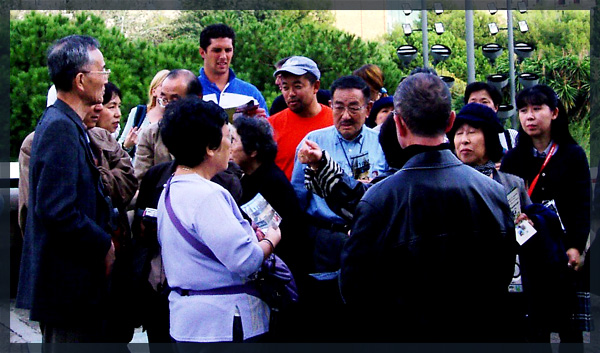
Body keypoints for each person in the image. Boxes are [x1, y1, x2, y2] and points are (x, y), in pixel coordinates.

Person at [339, 73, 515, 342]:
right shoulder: (493, 192)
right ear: (451, 121)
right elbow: (502, 275)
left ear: (398, 123)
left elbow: (355, 292)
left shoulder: (378, 200)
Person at [16, 35, 116, 345]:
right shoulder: (60, 126)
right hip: (68, 290)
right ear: (81, 80)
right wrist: (103, 244)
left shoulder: (67, 122)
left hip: (73, 291)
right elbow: (56, 209)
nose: (107, 78)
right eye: (102, 70)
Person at [157, 97, 280, 345]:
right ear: (210, 147)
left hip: (188, 322)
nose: (231, 146)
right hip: (223, 323)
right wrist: (270, 240)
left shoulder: (171, 188)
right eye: (228, 137)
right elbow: (246, 261)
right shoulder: (209, 194)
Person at [501, 84, 591, 349]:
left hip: (563, 249)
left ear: (553, 113)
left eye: (537, 109)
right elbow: (511, 200)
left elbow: (581, 204)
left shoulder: (573, 155)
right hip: (529, 250)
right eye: (523, 110)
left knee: (569, 326)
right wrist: (517, 218)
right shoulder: (513, 159)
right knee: (533, 326)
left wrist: (576, 246)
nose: (529, 116)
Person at [267, 56, 333, 180]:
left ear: (316, 86)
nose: (291, 94)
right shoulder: (270, 126)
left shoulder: (335, 123)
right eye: (285, 88)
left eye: (297, 86)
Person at [134, 69, 203, 181]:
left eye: (174, 101)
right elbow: (141, 181)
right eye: (164, 100)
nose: (167, 107)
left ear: (197, 98)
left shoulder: (214, 132)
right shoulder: (150, 135)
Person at [197, 23, 268, 117]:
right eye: (217, 50)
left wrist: (262, 123)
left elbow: (268, 130)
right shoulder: (189, 91)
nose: (223, 56)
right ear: (202, 52)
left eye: (228, 50)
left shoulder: (251, 93)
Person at [119, 69, 169, 157]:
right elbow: (117, 150)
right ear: (153, 91)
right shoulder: (138, 114)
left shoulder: (176, 118)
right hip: (137, 169)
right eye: (162, 85)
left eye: (169, 87)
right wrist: (127, 146)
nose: (166, 90)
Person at [464, 81, 518, 154]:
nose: (478, 107)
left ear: (496, 107)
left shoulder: (511, 136)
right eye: (473, 102)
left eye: (484, 102)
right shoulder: (461, 139)